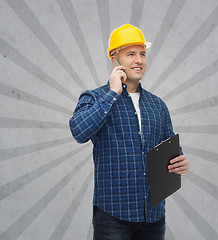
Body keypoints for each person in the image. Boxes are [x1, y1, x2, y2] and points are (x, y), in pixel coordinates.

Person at [69, 24, 189, 240]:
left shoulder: (157, 105)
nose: (139, 60)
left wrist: (179, 161)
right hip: (113, 216)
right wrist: (113, 93)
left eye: (142, 54)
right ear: (115, 57)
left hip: (152, 215)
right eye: (131, 54)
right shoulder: (95, 98)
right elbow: (79, 131)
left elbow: (169, 148)